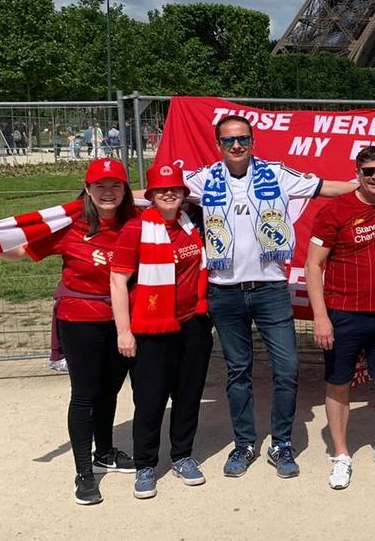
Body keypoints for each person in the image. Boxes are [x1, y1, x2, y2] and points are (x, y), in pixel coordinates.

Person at [184, 115, 358, 479]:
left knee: (287, 369)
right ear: (218, 144)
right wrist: (110, 195)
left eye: (243, 139)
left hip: (270, 288)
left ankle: (281, 443)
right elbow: (159, 192)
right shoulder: (202, 179)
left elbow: (327, 187)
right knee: (238, 371)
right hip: (225, 291)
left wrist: (372, 186)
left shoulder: (277, 173)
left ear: (253, 141)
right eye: (229, 140)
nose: (236, 146)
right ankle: (244, 443)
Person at [0, 158, 139, 505]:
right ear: (87, 190)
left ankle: (104, 452)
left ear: (125, 189)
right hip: (80, 319)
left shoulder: (136, 223)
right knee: (86, 394)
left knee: (110, 389)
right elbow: (20, 249)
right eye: (100, 186)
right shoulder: (69, 226)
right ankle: (83, 473)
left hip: (123, 319)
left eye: (115, 185)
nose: (108, 192)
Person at [306, 146, 375, 489]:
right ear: (358, 173)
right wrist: (321, 318)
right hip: (344, 313)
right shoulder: (336, 210)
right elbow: (312, 264)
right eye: (369, 171)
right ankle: (340, 454)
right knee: (339, 385)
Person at [110, 164, 213, 500]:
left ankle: (182, 455)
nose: (169, 194)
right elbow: (118, 281)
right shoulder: (135, 230)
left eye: (176, 189)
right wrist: (123, 332)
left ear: (184, 195)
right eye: (161, 190)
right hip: (151, 328)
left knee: (188, 395)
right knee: (150, 400)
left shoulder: (192, 225)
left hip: (191, 324)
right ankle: (145, 464)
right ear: (150, 195)